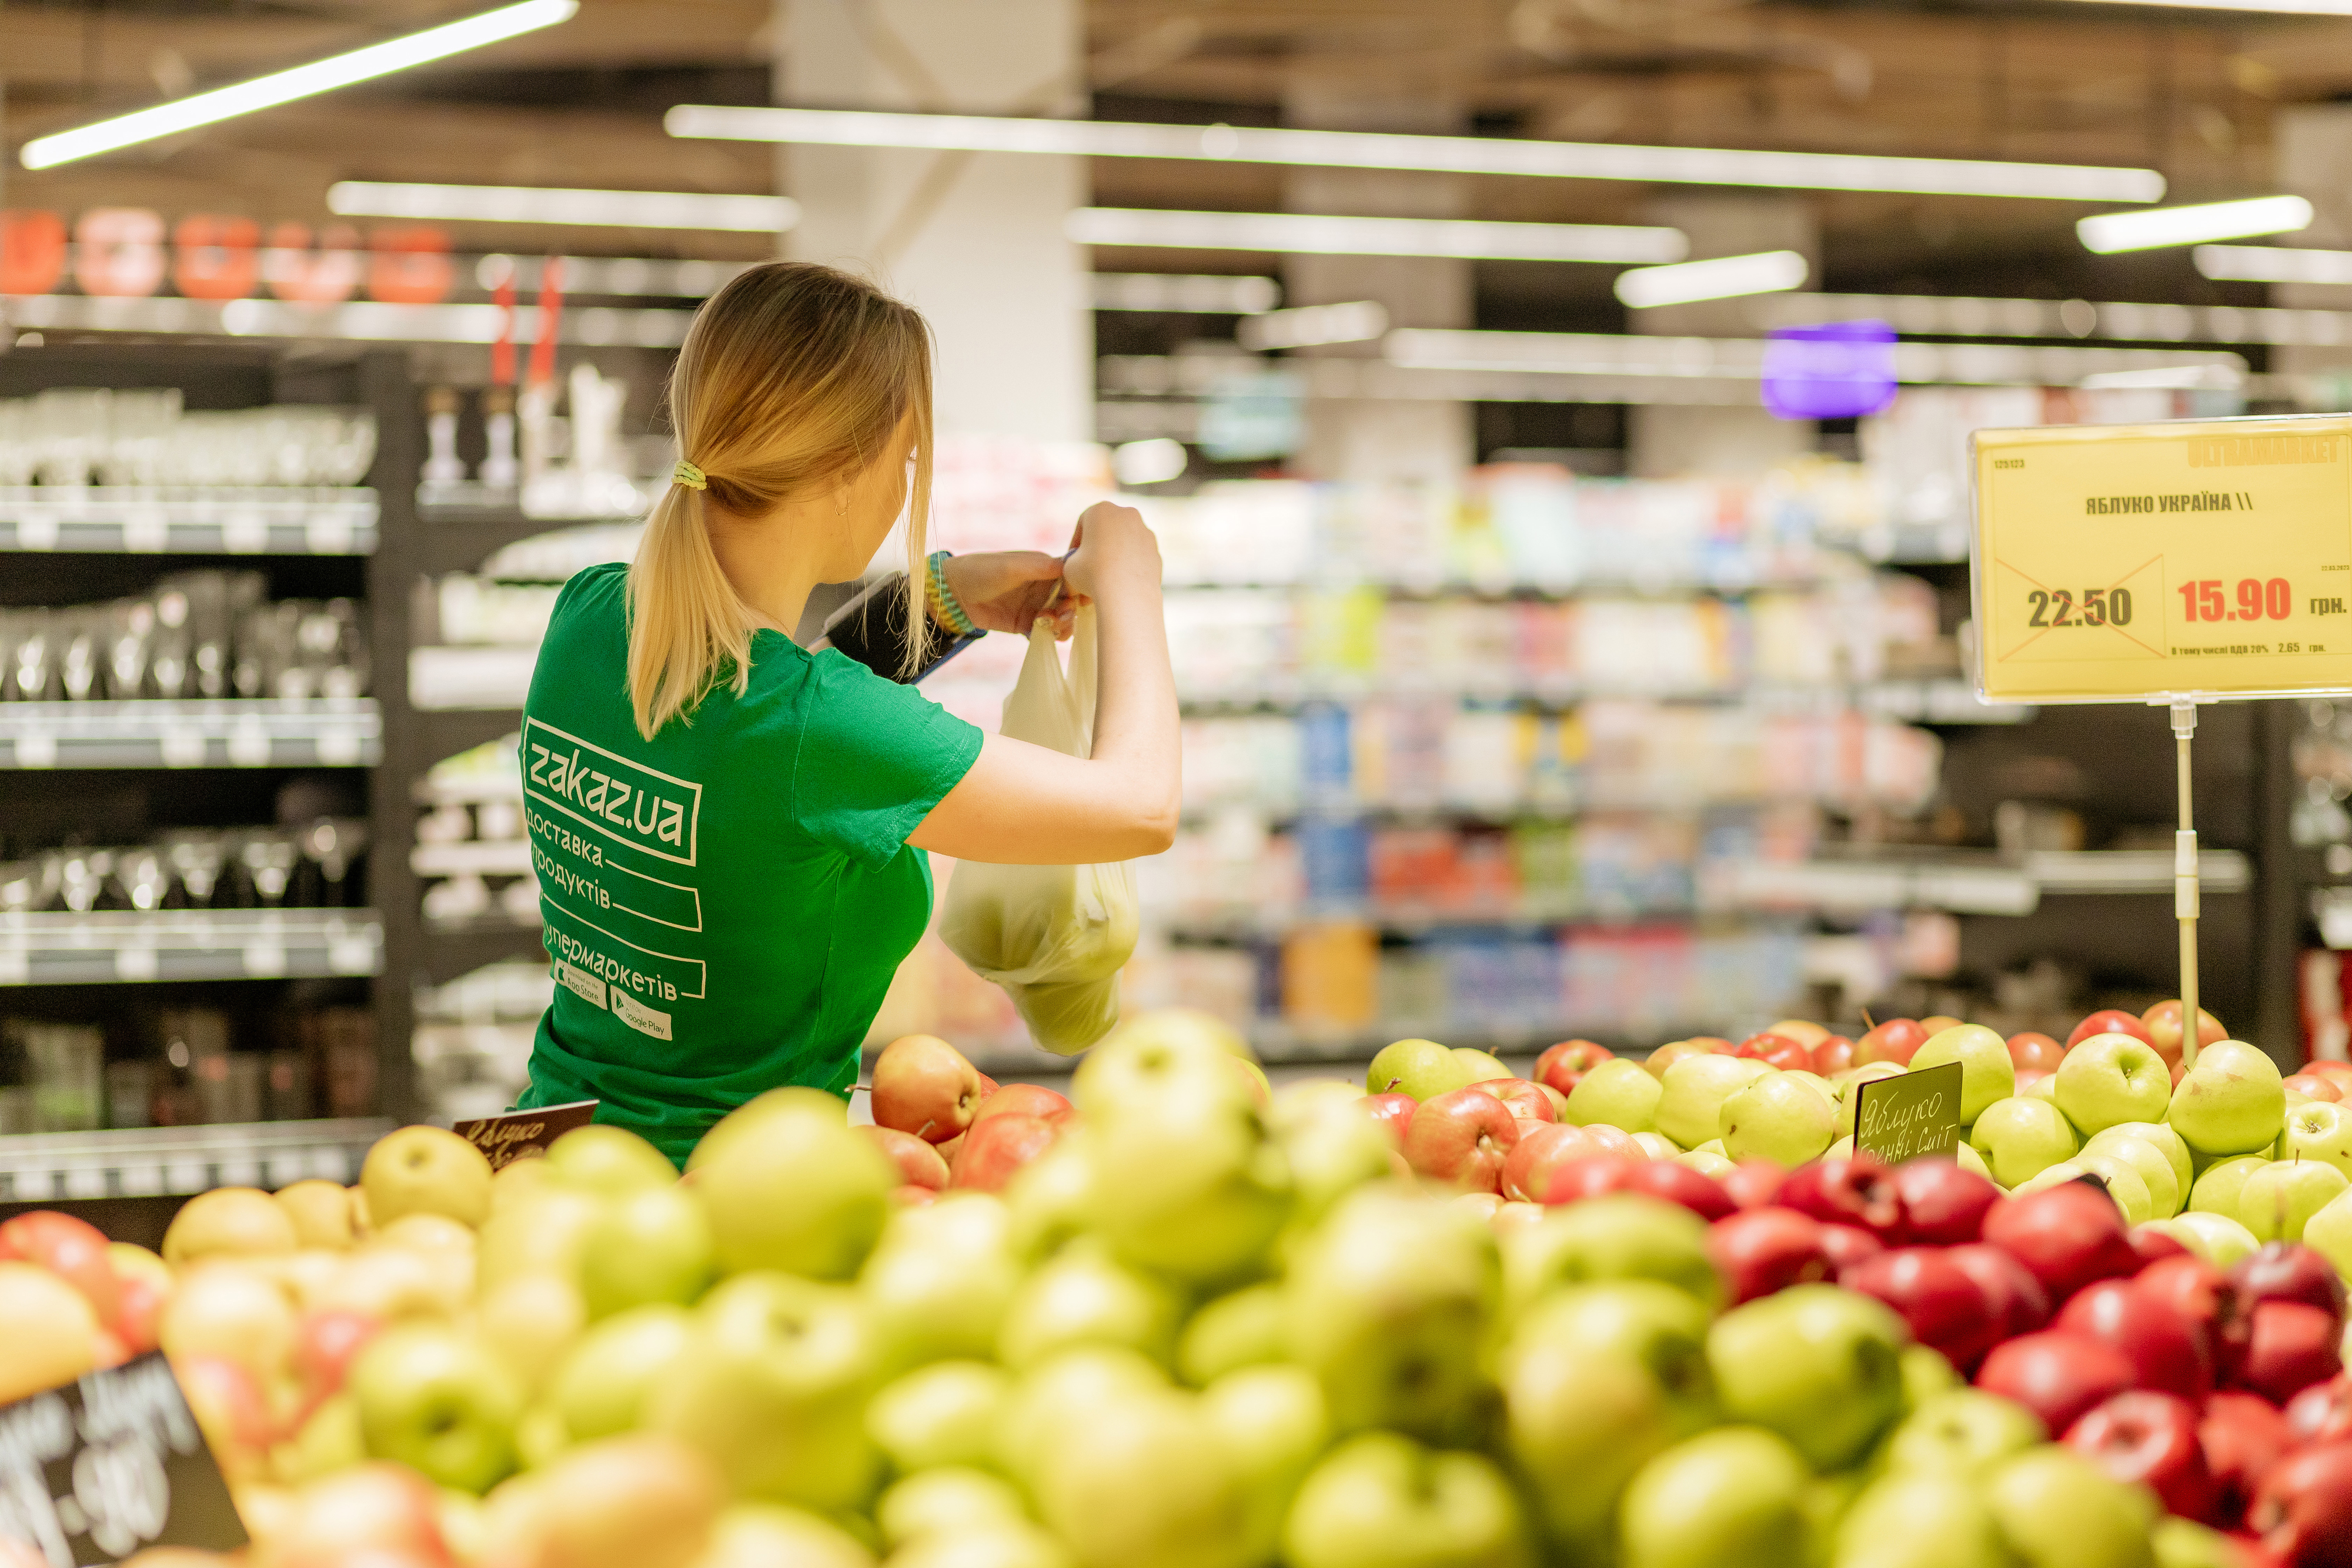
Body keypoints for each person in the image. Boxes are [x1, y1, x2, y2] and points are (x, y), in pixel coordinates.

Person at [510, 261, 1178, 1165]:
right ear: (840, 471)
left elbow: (754, 749)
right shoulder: (813, 727)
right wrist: (1134, 585)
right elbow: (1138, 807)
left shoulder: (590, 618)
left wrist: (940, 603)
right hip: (732, 1203)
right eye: (904, 460)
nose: (906, 483)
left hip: (547, 1158)